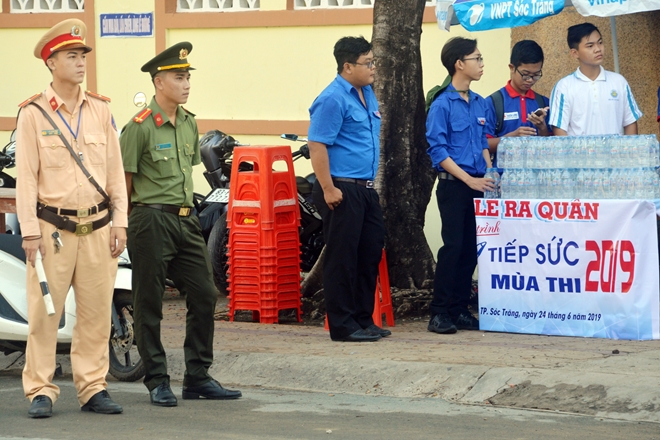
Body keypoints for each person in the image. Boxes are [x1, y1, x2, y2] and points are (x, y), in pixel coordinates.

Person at [16, 18, 128, 418]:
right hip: (51, 229)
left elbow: (115, 172)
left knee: (97, 313)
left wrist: (121, 222)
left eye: (82, 55)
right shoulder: (32, 114)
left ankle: (92, 387)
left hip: (98, 228)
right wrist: (30, 233)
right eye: (71, 56)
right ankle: (41, 389)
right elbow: (26, 179)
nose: (80, 63)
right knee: (46, 313)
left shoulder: (100, 109)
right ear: (51, 62)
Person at [120, 42, 241, 407]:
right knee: (149, 301)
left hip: (186, 220)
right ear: (159, 82)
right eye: (178, 77)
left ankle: (198, 376)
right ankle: (157, 379)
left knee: (205, 294)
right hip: (150, 219)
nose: (186, 83)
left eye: (187, 76)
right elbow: (122, 184)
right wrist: (122, 227)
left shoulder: (189, 123)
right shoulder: (138, 127)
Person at [308, 36, 387, 343]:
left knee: (368, 253)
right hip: (340, 187)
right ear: (347, 66)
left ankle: (364, 319)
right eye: (368, 63)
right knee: (342, 258)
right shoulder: (332, 98)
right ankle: (342, 324)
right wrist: (328, 189)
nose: (373, 68)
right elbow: (317, 146)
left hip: (365, 188)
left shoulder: (367, 93)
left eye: (373, 62)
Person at [425, 37, 495, 334]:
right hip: (455, 185)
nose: (481, 64)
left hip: (479, 184)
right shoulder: (442, 104)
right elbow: (438, 151)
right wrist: (469, 180)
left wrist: (490, 172)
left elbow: (481, 143)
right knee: (452, 248)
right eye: (476, 58)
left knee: (470, 250)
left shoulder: (480, 103)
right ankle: (439, 313)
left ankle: (459, 309)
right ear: (459, 64)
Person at [549, 22, 642, 136]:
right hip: (580, 154)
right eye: (590, 46)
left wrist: (629, 152)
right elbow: (559, 130)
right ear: (575, 53)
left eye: (600, 43)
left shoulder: (619, 81)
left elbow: (630, 122)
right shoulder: (564, 86)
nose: (598, 49)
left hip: (615, 153)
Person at [485, 40, 552, 164]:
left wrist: (542, 128)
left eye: (536, 75)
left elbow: (552, 148)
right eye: (525, 75)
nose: (530, 80)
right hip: (503, 178)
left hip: (536, 177)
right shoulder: (493, 103)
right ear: (512, 68)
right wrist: (511, 138)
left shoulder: (543, 103)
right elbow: (483, 146)